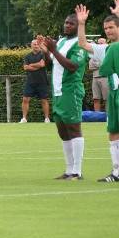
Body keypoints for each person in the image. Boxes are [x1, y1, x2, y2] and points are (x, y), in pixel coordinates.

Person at [39, 13, 89, 180]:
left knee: (74, 129)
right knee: (62, 130)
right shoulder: (60, 42)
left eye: (71, 24)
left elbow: (73, 66)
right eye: (66, 23)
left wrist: (53, 50)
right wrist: (46, 51)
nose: (67, 26)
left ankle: (77, 171)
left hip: (71, 91)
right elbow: (49, 64)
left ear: (78, 26)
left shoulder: (80, 44)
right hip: (58, 92)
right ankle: (68, 170)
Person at [76, 1, 119, 182]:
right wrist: (81, 23)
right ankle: (116, 172)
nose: (108, 31)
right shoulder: (106, 48)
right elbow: (83, 44)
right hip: (114, 94)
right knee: (113, 131)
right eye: (106, 28)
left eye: (111, 27)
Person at [20, 39, 51, 123]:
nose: (36, 45)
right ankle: (24, 119)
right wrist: (38, 65)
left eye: (37, 44)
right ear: (31, 45)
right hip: (30, 81)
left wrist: (31, 65)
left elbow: (43, 64)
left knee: (44, 100)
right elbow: (25, 67)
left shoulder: (43, 54)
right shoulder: (27, 56)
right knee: (25, 99)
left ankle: (47, 119)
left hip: (42, 81)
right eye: (34, 44)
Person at [89, 37, 109, 112]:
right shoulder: (94, 53)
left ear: (106, 44)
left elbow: (107, 65)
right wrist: (101, 64)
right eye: (99, 43)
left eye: (102, 43)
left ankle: (108, 116)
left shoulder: (108, 52)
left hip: (105, 77)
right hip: (95, 77)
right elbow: (90, 66)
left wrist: (97, 63)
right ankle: (96, 117)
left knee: (107, 99)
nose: (100, 45)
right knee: (96, 98)